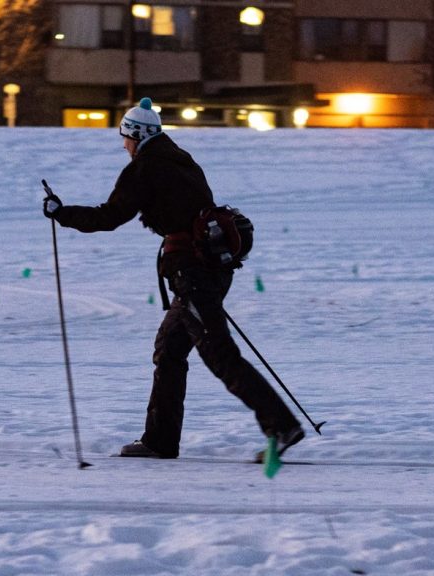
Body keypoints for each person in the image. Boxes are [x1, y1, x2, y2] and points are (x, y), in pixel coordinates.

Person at [43, 97, 304, 459]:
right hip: (210, 270)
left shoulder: (145, 168)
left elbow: (109, 217)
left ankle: (281, 426)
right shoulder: (182, 159)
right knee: (169, 351)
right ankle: (159, 441)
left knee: (221, 356)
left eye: (125, 137)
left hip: (193, 275)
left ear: (136, 135)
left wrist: (62, 213)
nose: (123, 145)